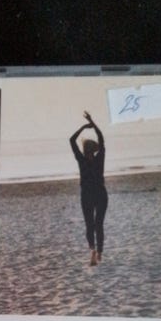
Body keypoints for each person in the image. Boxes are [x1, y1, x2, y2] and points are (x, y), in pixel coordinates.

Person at [70, 111, 108, 266]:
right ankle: (99, 252)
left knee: (90, 225)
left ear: (85, 150)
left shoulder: (81, 160)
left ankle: (93, 249)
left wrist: (84, 127)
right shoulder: (100, 158)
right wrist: (93, 124)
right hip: (100, 193)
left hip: (87, 194)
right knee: (98, 224)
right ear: (94, 150)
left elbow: (72, 140)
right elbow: (101, 139)